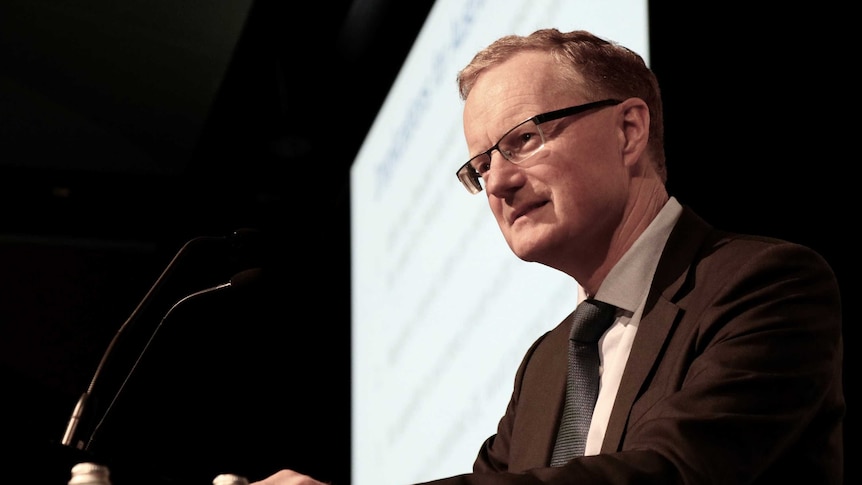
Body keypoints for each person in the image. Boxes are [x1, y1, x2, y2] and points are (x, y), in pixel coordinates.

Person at [251, 28, 844, 484]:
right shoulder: (545, 366)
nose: (499, 183)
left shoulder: (764, 285)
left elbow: (671, 473)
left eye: (523, 140)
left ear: (629, 131)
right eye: (480, 167)